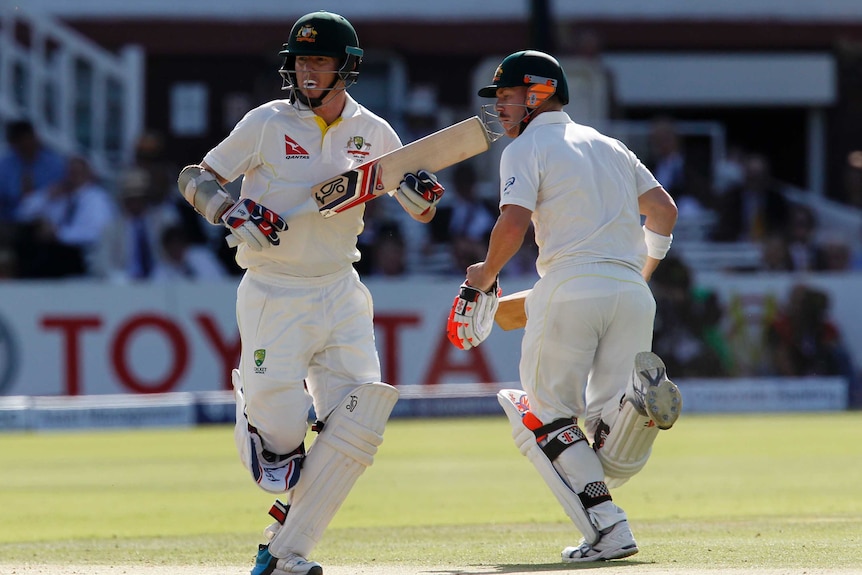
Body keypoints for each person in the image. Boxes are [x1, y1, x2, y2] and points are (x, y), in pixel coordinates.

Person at [175, 11, 445, 575]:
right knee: (281, 435)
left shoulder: (374, 133)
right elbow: (194, 178)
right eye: (301, 61)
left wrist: (421, 198)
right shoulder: (266, 122)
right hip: (275, 290)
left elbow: (417, 203)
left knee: (359, 422)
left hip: (341, 289)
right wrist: (228, 209)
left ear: (346, 68)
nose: (308, 71)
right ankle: (257, 408)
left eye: (320, 60)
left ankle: (283, 549)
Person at [452, 50, 680, 563]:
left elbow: (513, 223)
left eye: (508, 96)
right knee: (601, 433)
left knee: (544, 415)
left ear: (538, 93)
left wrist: (483, 278)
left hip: (568, 284)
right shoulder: (611, 145)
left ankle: (609, 525)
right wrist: (639, 272)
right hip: (630, 293)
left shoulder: (526, 148)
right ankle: (633, 412)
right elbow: (664, 211)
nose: (501, 107)